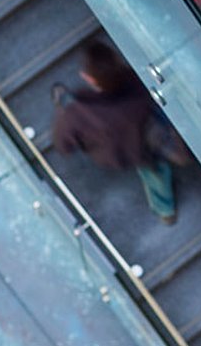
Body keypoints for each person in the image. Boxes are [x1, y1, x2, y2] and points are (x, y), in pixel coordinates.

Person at [52, 41, 189, 224]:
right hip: (148, 136)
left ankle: (166, 211)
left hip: (124, 152)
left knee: (153, 173)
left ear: (90, 79)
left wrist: (67, 110)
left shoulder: (77, 113)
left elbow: (63, 146)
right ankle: (165, 210)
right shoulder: (135, 81)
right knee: (155, 171)